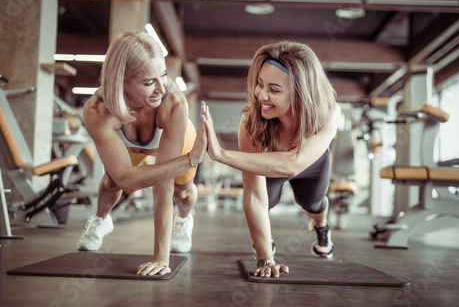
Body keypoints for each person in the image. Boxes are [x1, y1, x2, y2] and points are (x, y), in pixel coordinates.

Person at [202, 41, 340, 278]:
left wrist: (221, 154)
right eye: (260, 84)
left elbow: (293, 165)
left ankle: (320, 225)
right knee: (266, 202)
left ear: (300, 94)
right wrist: (266, 258)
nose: (261, 95)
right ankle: (266, 241)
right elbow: (254, 195)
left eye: (274, 90)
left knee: (313, 203)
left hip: (311, 164)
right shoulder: (251, 121)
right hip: (271, 163)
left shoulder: (329, 112)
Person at [77, 32, 207, 276]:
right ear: (121, 82)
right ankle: (101, 220)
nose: (161, 88)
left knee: (182, 190)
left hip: (175, 135)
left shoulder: (174, 103)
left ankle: (184, 220)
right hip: (130, 141)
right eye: (149, 82)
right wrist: (191, 160)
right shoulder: (97, 111)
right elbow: (127, 181)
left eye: (163, 75)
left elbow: (163, 185)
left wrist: (161, 258)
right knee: (112, 181)